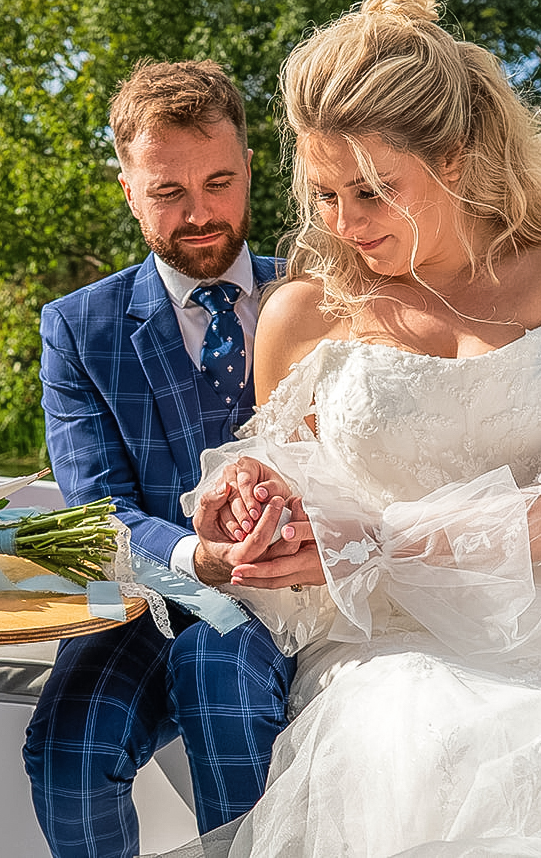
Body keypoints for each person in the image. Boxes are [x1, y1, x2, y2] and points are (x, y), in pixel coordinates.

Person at [192, 0, 541, 855]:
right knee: (424, 743)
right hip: (385, 658)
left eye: (370, 191)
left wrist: (387, 537)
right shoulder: (302, 314)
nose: (343, 223)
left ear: (452, 158)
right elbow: (283, 539)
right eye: (323, 193)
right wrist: (247, 513)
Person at [23, 59, 321, 858]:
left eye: (220, 183)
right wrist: (200, 556)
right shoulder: (77, 329)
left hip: (294, 594)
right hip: (144, 600)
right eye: (168, 193)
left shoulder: (319, 295)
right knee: (67, 750)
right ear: (127, 188)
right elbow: (97, 511)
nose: (200, 213)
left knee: (219, 673)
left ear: (251, 169)